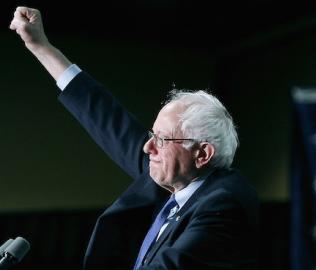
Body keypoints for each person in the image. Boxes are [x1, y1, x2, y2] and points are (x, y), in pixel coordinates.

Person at [10, 7, 259, 270]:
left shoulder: (223, 203)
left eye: (162, 139)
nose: (148, 146)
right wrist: (41, 47)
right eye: (153, 135)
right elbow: (106, 118)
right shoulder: (175, 175)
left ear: (202, 154)